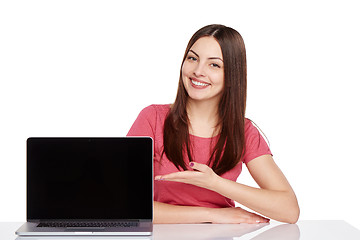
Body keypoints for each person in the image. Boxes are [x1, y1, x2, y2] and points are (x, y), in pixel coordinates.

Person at [127, 24, 300, 224]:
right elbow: (128, 205)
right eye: (192, 58)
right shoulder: (152, 118)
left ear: (232, 75)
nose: (198, 71)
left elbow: (288, 210)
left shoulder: (244, 131)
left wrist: (215, 183)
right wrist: (212, 214)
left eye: (214, 65)